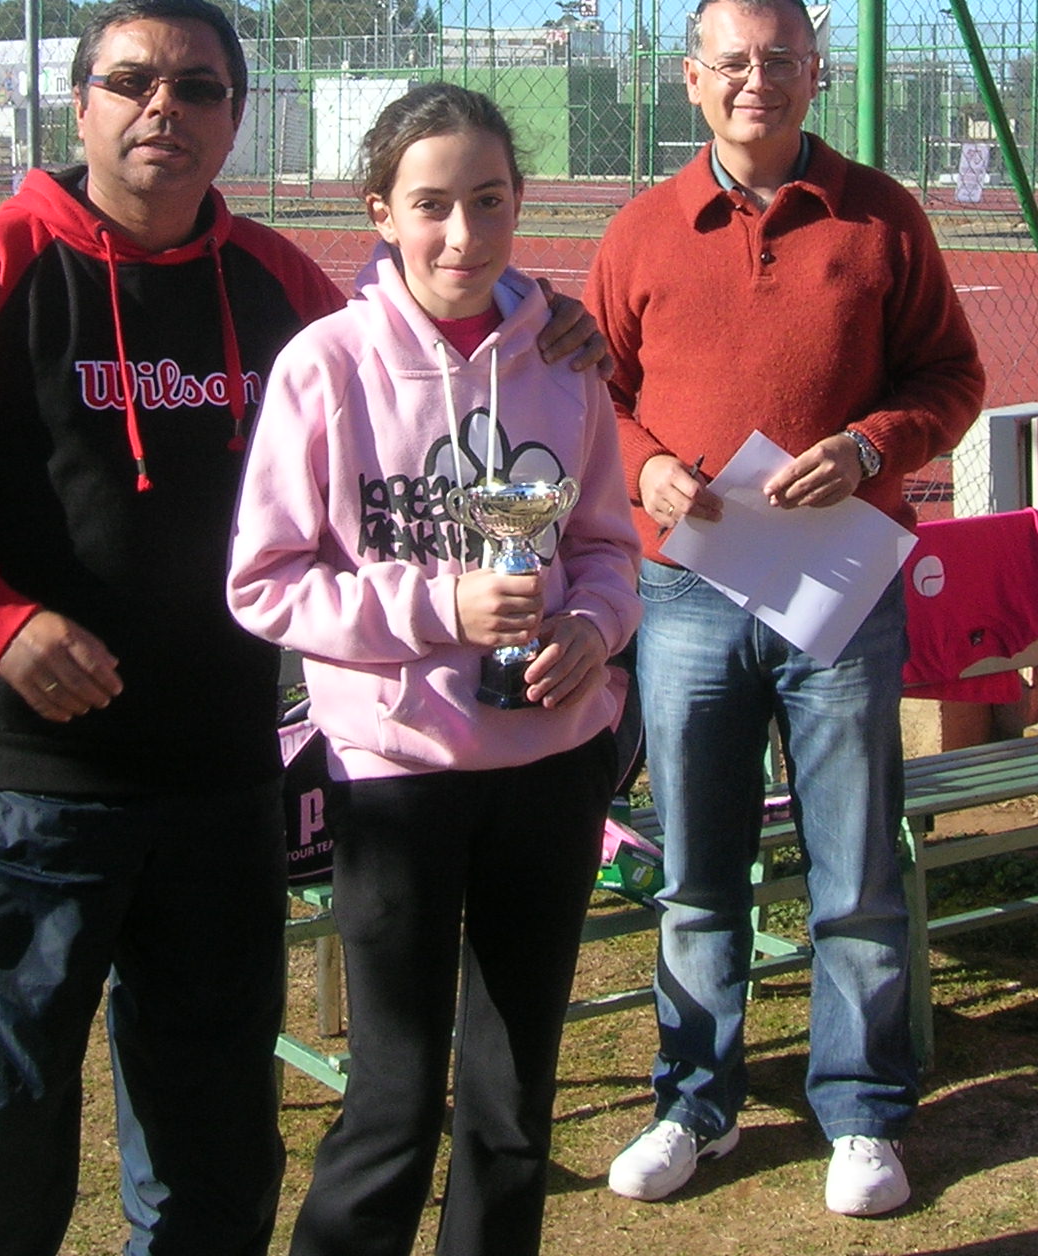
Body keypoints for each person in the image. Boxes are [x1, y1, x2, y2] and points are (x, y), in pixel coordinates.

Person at [0, 0, 604, 1256]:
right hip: (39, 775)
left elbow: (423, 318)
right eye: (133, 82)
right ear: (80, 104)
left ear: (235, 116)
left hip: (224, 772)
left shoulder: (272, 283)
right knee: (12, 1105)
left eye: (198, 88)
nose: (164, 110)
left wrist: (538, 308)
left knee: (214, 1124)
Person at [584, 0, 987, 1219]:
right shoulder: (640, 232)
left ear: (818, 72)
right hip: (688, 593)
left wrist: (870, 447)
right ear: (691, 78)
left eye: (782, 57)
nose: (757, 80)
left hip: (838, 594)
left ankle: (861, 1113)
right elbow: (594, 394)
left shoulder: (882, 217)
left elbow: (952, 377)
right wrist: (642, 463)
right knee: (696, 869)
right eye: (734, 60)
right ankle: (692, 1103)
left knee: (853, 869)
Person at [228, 84, 641, 1256]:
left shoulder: (563, 360)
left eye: (490, 201)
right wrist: (439, 608)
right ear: (381, 211)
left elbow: (607, 547)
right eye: (432, 205)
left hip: (550, 767)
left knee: (512, 1104)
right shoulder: (326, 366)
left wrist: (592, 629)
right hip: (396, 771)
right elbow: (264, 584)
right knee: (395, 1097)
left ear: (520, 203)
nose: (464, 234)